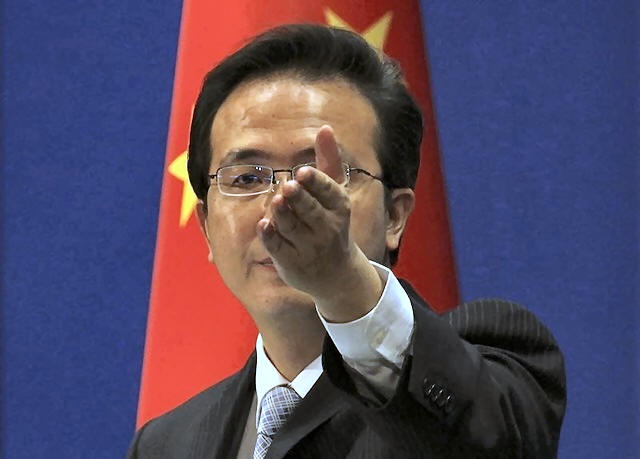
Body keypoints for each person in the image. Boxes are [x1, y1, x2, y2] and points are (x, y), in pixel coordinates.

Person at [127, 24, 566, 458]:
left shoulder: (497, 366)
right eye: (246, 178)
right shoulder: (166, 445)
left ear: (395, 216)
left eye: (319, 176)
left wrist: (341, 283)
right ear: (205, 226)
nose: (281, 207)